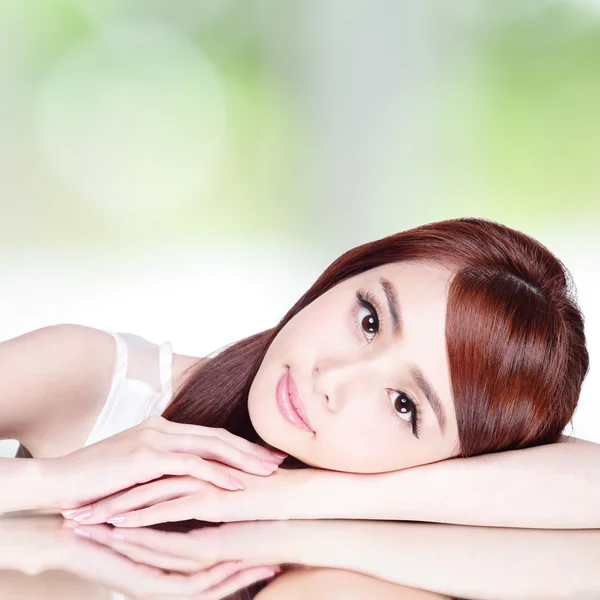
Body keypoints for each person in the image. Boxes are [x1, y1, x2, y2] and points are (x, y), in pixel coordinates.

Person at [1, 217, 597, 529]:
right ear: (344, 274)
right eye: (369, 320)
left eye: (404, 405)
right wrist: (54, 482)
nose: (333, 377)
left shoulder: (365, 527)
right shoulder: (98, 377)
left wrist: (298, 491)